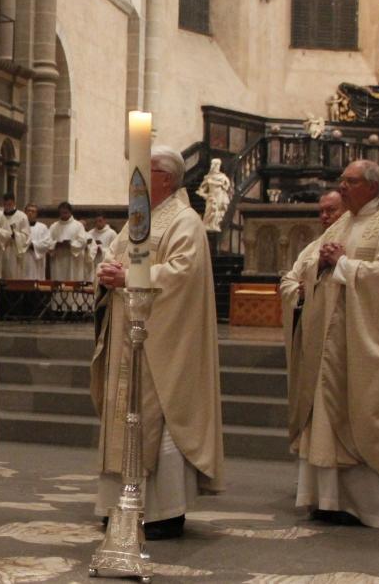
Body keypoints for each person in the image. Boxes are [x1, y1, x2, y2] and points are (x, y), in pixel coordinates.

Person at [91, 146, 223, 541]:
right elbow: (115, 259)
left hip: (165, 342)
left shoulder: (186, 222)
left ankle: (163, 512)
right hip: (127, 335)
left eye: (143, 171)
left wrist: (128, 276)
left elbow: (183, 273)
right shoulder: (137, 220)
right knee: (124, 417)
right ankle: (120, 504)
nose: (135, 178)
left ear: (166, 177)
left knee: (158, 417)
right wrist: (105, 273)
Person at [288, 160, 379, 528]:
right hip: (328, 341)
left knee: (359, 411)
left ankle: (370, 505)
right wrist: (321, 269)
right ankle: (330, 499)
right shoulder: (342, 223)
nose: (342, 187)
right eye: (341, 180)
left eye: (351, 181)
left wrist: (345, 264)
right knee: (327, 414)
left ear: (373, 187)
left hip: (362, 340)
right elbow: (312, 266)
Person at [279, 190, 346, 371]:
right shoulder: (312, 248)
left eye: (331, 211)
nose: (324, 216)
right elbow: (287, 281)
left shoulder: (353, 242)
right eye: (321, 211)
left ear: (346, 210)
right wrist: (299, 292)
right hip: (311, 329)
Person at [48, 202, 89, 280]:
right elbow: (48, 241)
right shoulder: (54, 226)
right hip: (58, 258)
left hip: (73, 259)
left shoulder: (78, 225)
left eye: (66, 212)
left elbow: (82, 241)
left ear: (70, 212)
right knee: (59, 279)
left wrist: (71, 244)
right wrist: (55, 244)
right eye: (62, 213)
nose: (64, 215)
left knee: (72, 279)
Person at [0, 192, 31, 280]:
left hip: (15, 251)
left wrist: (15, 236)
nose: (7, 206)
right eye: (5, 204)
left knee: (14, 276)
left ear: (14, 203)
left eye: (9, 204)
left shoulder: (22, 216)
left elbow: (27, 236)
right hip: (1, 251)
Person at [23, 203, 53, 280]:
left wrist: (33, 245)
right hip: (23, 260)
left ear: (36, 214)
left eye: (33, 211)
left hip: (36, 262)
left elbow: (47, 243)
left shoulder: (42, 227)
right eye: (28, 211)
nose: (30, 213)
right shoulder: (20, 226)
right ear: (24, 212)